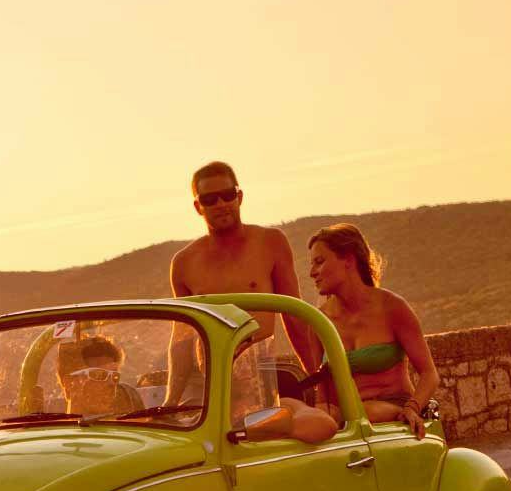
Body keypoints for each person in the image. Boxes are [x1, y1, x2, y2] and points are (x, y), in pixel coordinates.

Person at [164, 160, 310, 404]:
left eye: (227, 195)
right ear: (198, 207)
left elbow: (294, 316)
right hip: (211, 380)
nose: (221, 204)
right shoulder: (184, 263)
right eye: (210, 199)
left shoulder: (270, 242)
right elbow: (182, 338)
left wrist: (319, 379)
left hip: (262, 373)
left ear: (239, 197)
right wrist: (170, 401)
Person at [299, 222, 439, 439]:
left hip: (393, 408)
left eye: (319, 262)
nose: (311, 273)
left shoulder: (392, 307)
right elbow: (323, 397)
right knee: (292, 414)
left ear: (348, 259)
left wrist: (412, 408)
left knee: (365, 412)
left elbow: (430, 374)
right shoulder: (319, 321)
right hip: (347, 418)